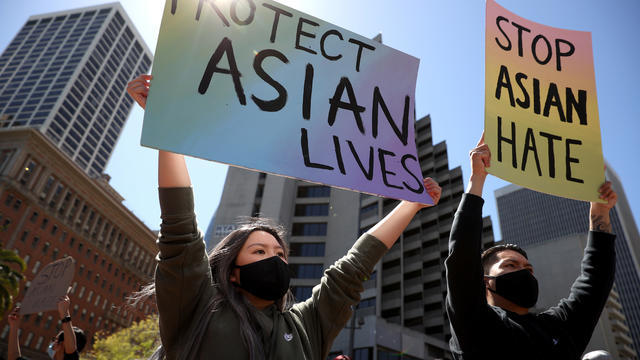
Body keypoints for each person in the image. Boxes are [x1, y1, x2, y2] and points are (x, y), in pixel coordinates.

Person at [126, 74, 442, 360]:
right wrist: (163, 126)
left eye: (280, 254)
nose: (275, 259)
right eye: (260, 252)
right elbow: (179, 225)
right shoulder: (198, 307)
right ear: (232, 272)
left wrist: (410, 206)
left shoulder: (307, 324)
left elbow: (356, 265)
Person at [445, 133, 617, 360]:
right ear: (485, 282)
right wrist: (477, 179)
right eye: (511, 264)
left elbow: (596, 280)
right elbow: (462, 262)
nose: (524, 271)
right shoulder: (476, 325)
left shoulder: (558, 327)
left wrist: (600, 214)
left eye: (528, 268)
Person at [7, 296, 87, 360]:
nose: (53, 344)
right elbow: (14, 358)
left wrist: (65, 313)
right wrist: (14, 326)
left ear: (62, 344)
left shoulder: (71, 353)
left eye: (55, 339)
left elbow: (71, 349)